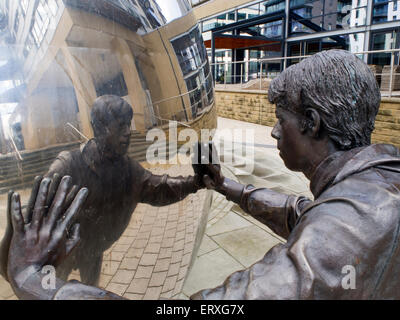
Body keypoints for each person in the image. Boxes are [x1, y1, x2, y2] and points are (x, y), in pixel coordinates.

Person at [11, 94, 204, 286]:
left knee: (92, 291)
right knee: (52, 291)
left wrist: (196, 182)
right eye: (121, 126)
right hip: (59, 253)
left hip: (94, 251)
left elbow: (160, 187)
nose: (128, 132)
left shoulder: (129, 170)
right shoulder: (68, 166)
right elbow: (34, 217)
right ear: (100, 129)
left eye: (129, 124)